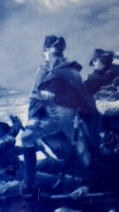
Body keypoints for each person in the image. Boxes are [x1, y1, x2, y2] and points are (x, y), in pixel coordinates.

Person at [21, 35, 95, 192]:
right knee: (26, 137)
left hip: (69, 115)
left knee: (82, 151)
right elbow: (35, 97)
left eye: (57, 53)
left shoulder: (70, 71)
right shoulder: (42, 70)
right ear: (45, 52)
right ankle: (30, 181)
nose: (54, 56)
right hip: (51, 117)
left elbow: (81, 96)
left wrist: (59, 101)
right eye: (51, 52)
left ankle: (91, 184)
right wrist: (32, 118)